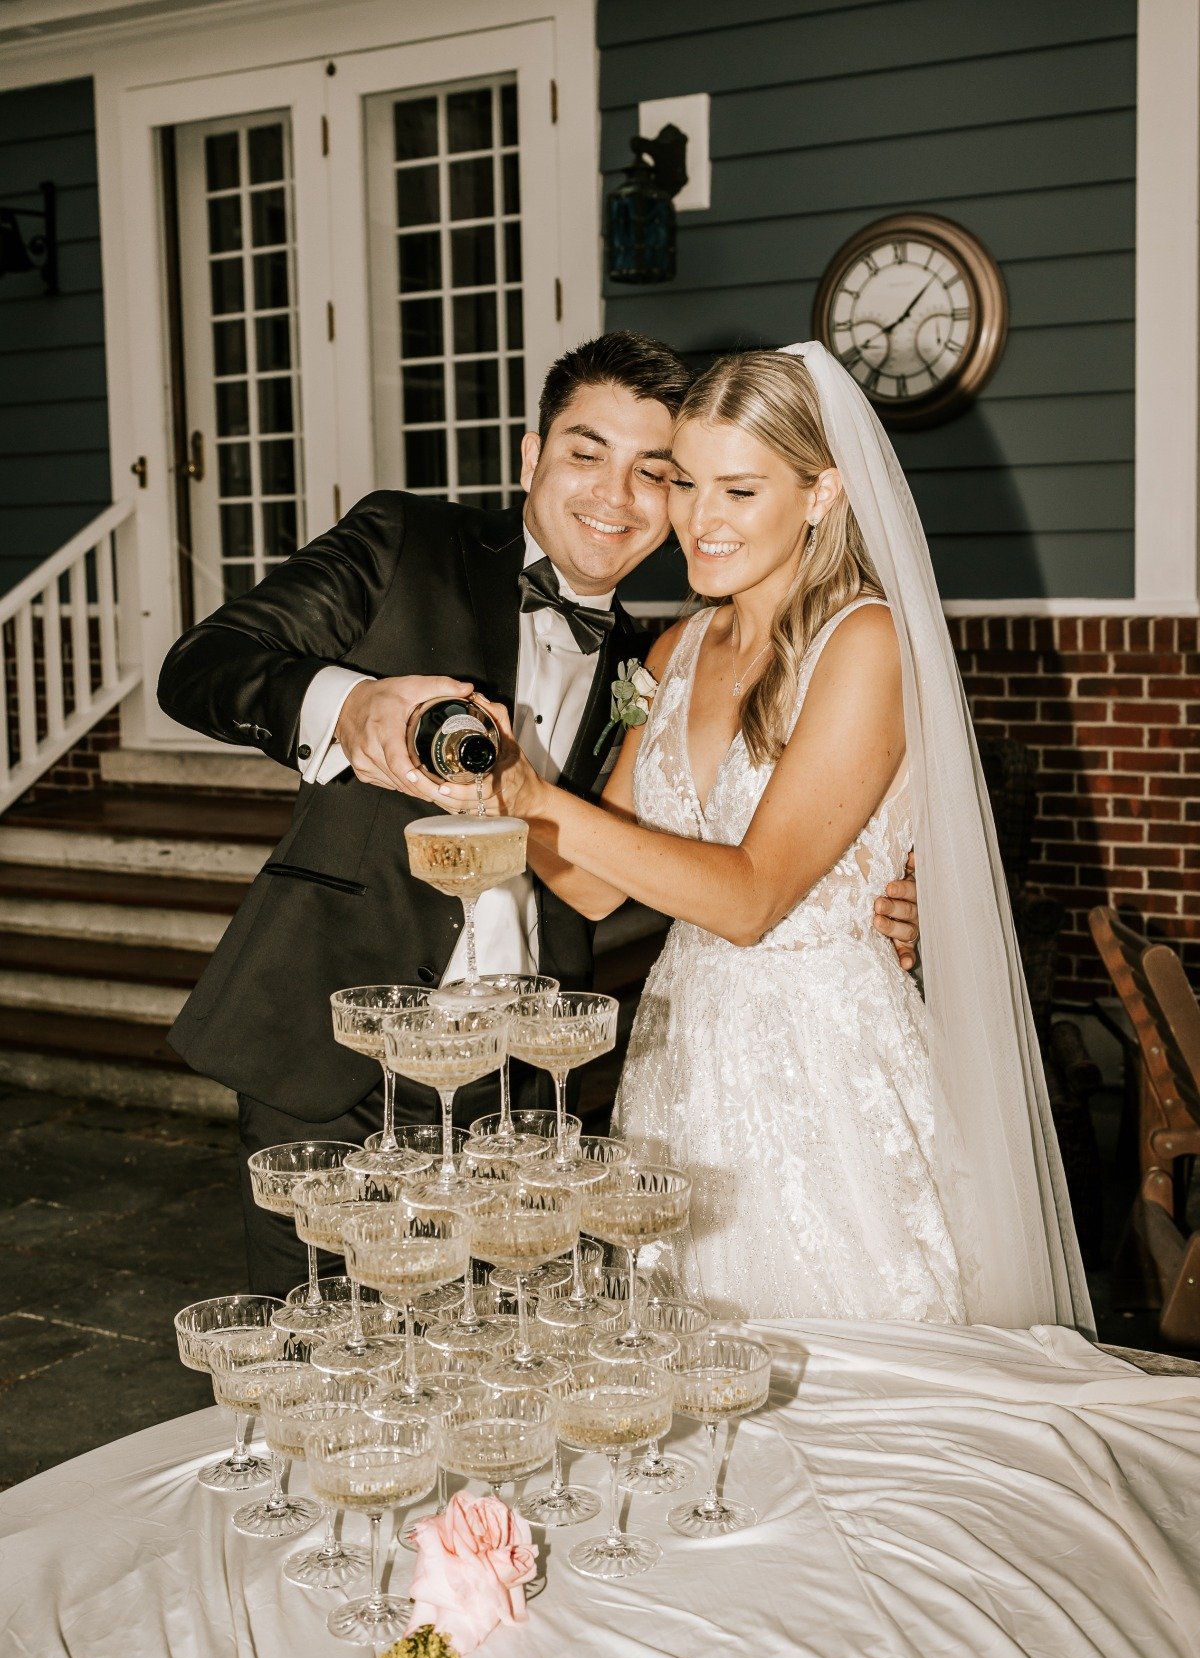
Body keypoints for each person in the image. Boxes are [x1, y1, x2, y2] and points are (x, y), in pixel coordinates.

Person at [156, 331, 923, 1295]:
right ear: (532, 455)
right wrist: (349, 707)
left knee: (505, 1378)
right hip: (336, 1051)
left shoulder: (651, 658)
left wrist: (869, 897)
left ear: (816, 495)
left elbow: (700, 870)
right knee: (327, 1356)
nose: (620, 497)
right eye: (585, 453)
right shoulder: (414, 546)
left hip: (528, 1086)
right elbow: (201, 666)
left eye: (657, 473)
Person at [481, 344, 1093, 1331]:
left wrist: (541, 800)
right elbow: (590, 888)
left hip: (825, 1072)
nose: (698, 519)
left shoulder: (864, 643)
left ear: (822, 493)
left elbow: (752, 896)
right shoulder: (678, 650)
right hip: (685, 1056)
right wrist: (492, 796)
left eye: (739, 489)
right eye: (685, 483)